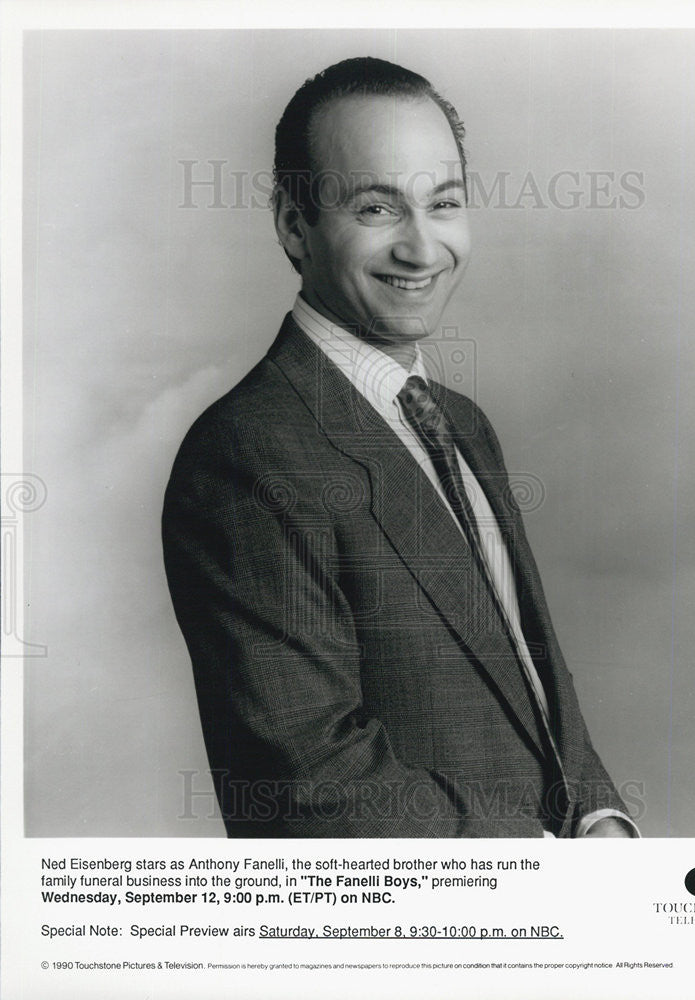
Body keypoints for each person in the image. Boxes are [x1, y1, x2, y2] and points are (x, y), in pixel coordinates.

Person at [162, 57, 638, 838]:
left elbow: (530, 674)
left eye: (443, 203)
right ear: (293, 224)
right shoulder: (246, 455)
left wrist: (602, 825)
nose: (422, 249)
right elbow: (306, 782)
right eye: (377, 207)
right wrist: (558, 877)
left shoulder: (460, 420)